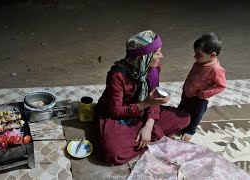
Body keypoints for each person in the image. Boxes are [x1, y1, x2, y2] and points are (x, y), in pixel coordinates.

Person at [94, 30, 191, 165]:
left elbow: (154, 101)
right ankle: (153, 138)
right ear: (144, 57)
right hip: (118, 116)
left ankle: (146, 136)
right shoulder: (117, 76)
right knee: (112, 153)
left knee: (185, 119)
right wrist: (146, 103)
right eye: (157, 53)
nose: (161, 56)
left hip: (144, 111)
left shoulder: (153, 69)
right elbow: (115, 111)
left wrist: (148, 126)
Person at [178, 32, 226, 141]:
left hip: (200, 98)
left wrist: (204, 94)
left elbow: (221, 86)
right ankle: (178, 124)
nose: (195, 57)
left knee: (195, 115)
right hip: (188, 92)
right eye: (195, 53)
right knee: (182, 109)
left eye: (198, 54)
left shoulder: (216, 69)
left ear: (212, 55)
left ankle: (190, 130)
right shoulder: (200, 62)